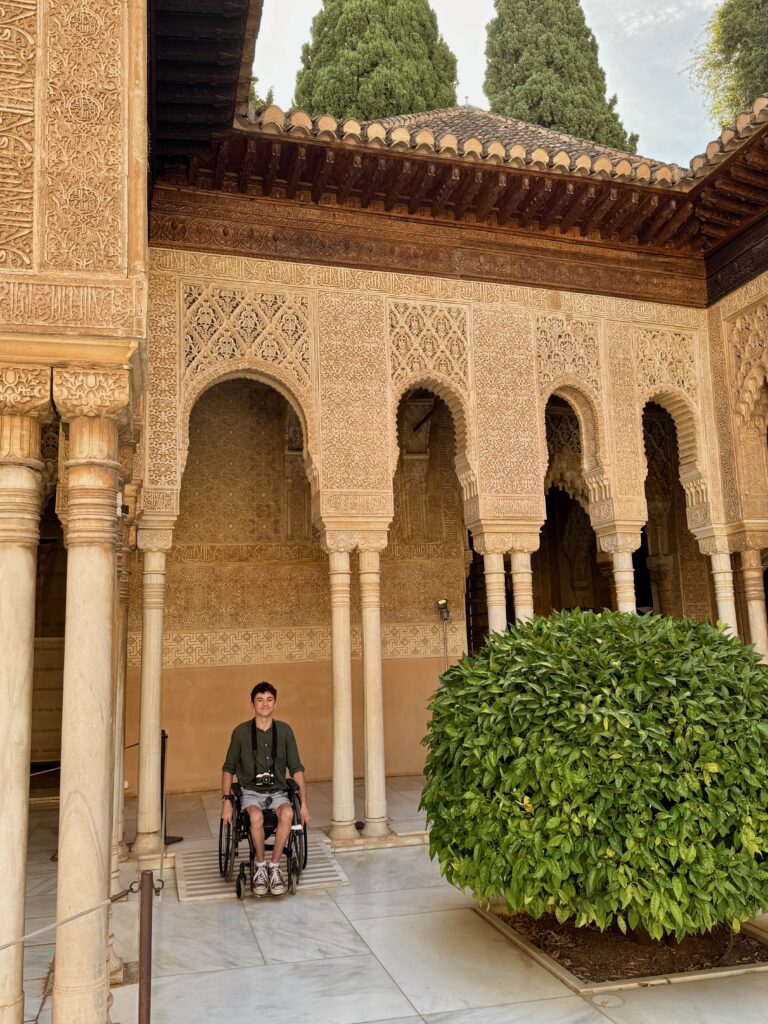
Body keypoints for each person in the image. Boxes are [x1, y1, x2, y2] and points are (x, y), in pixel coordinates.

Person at [221, 681, 310, 896]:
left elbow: (296, 768)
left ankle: (274, 867)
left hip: (278, 792)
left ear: (275, 703)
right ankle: (260, 867)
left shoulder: (285, 731)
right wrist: (226, 801)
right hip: (251, 792)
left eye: (269, 699)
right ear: (252, 703)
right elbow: (228, 768)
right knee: (255, 818)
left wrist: (304, 805)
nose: (265, 704)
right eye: (260, 700)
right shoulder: (241, 732)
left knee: (288, 813)